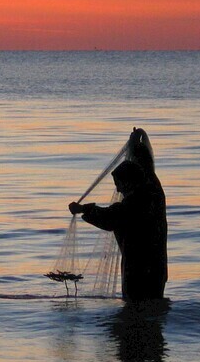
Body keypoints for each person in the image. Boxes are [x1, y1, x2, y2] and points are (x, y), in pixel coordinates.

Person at [69, 129, 168, 301]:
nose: (118, 189)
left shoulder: (136, 201)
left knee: (135, 313)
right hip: (157, 269)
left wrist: (83, 209)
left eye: (119, 184)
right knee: (153, 314)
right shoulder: (154, 192)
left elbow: (110, 218)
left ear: (129, 181)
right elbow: (146, 168)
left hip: (139, 271)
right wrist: (136, 145)